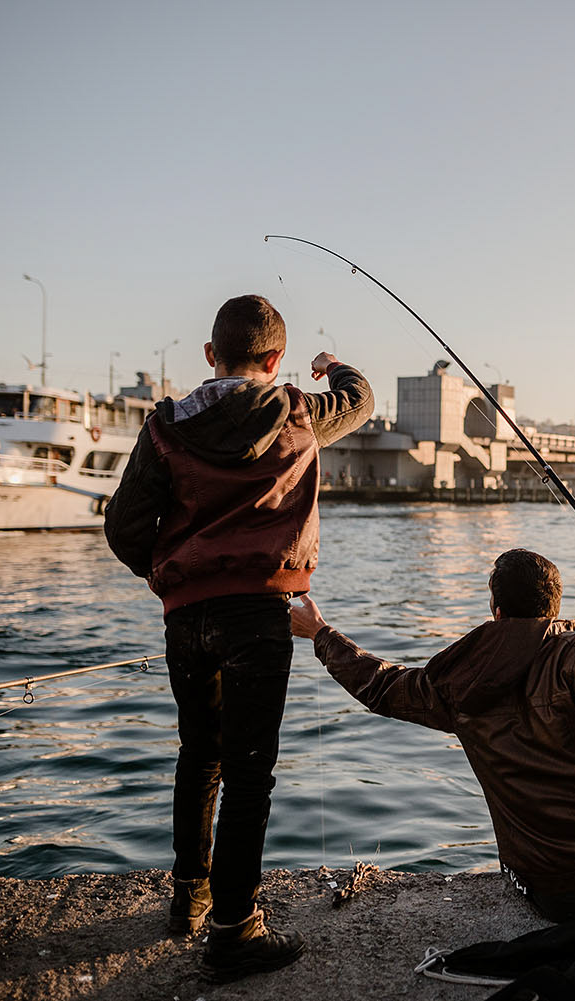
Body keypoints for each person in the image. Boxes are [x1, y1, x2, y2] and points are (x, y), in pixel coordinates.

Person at [104, 294, 373, 982]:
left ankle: (188, 901)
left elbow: (124, 526)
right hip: (258, 614)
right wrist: (332, 364)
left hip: (186, 616)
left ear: (209, 356)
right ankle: (234, 930)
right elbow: (361, 396)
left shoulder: (165, 426)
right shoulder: (300, 413)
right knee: (250, 769)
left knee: (200, 755)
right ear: (275, 360)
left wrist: (169, 576)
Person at [289, 548, 575, 922]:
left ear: (496, 609)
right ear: (554, 609)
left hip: (543, 890)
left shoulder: (457, 678)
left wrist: (320, 633)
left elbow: (382, 685)